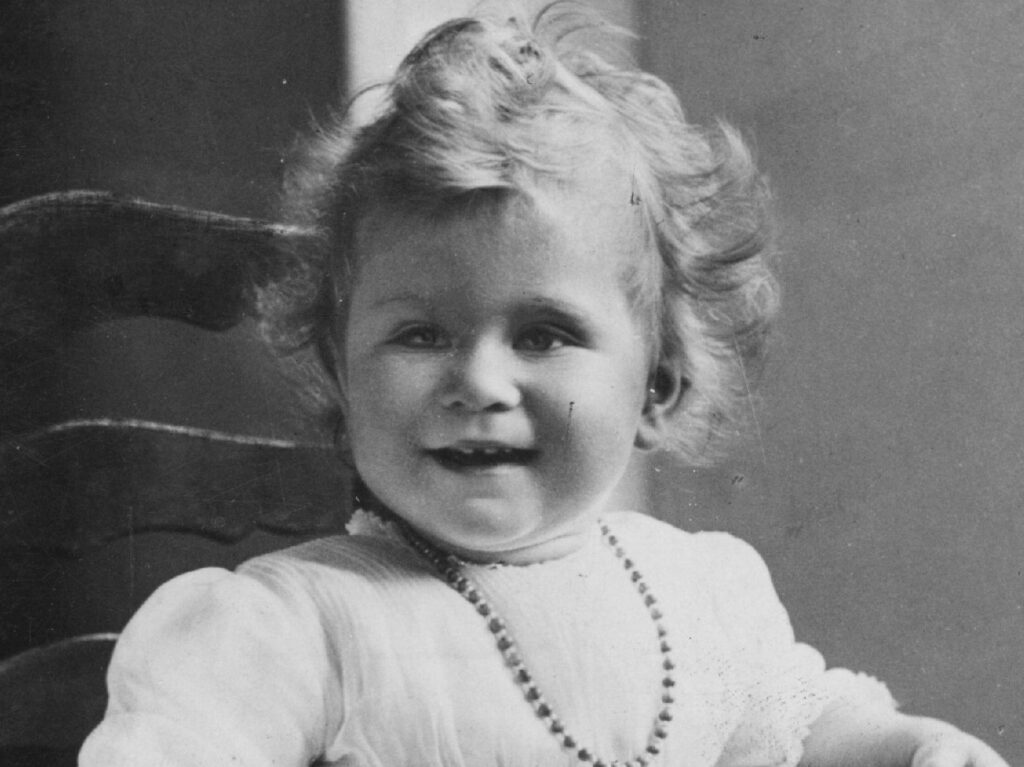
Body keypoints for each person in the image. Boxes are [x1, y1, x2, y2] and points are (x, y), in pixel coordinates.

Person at [80, 5, 1009, 767]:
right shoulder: (294, 628)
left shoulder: (698, 596)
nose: (479, 379)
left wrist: (912, 748)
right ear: (339, 367)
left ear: (658, 386)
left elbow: (806, 735)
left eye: (544, 334)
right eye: (419, 334)